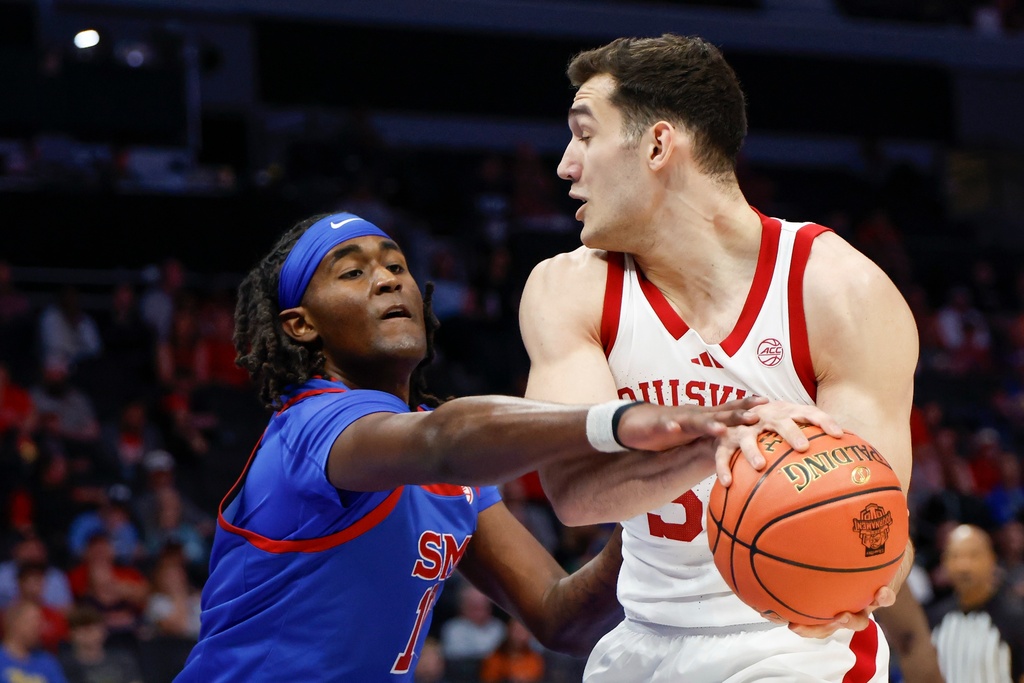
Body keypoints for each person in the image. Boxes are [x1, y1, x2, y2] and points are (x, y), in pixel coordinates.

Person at [175, 211, 763, 682]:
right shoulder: (310, 425)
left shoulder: (449, 471)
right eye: (351, 273)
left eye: (397, 265)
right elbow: (444, 440)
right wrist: (621, 421)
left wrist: (664, 509)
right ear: (302, 325)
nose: (387, 279)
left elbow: (560, 617)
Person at [518, 34, 922, 682]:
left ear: (657, 145)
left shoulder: (838, 290)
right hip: (642, 639)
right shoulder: (567, 288)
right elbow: (573, 491)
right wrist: (715, 439)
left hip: (793, 645)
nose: (565, 165)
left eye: (585, 135)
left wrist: (867, 572)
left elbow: (876, 513)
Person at [927, 524, 1024, 683]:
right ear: (944, 562)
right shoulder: (933, 619)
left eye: (973, 556)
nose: (964, 566)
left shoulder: (1015, 619)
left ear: (992, 559)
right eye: (956, 556)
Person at [0, 598, 68, 683]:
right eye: (33, 621)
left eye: (39, 623)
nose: (39, 627)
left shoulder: (47, 662)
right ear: (14, 623)